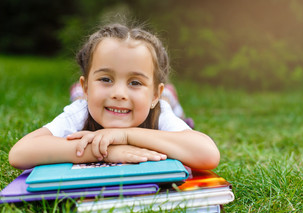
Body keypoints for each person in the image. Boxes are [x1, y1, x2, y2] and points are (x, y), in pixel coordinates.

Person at [8, 23, 220, 170]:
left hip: (163, 106)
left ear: (154, 94)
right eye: (106, 79)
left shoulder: (159, 112)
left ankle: (170, 96)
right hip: (86, 100)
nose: (119, 93)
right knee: (79, 101)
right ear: (87, 88)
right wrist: (105, 152)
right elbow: (20, 153)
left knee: (173, 109)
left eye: (135, 82)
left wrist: (126, 136)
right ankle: (80, 93)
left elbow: (208, 154)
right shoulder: (80, 113)